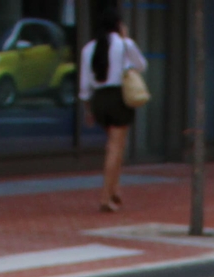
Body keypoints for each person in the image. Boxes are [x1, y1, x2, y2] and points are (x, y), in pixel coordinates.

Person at [81, 4, 144, 213]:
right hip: (118, 99)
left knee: (114, 146)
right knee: (115, 148)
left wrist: (88, 109)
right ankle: (105, 197)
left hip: (99, 100)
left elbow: (84, 85)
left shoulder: (88, 48)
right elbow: (141, 65)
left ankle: (114, 189)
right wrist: (126, 39)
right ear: (118, 24)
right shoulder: (124, 45)